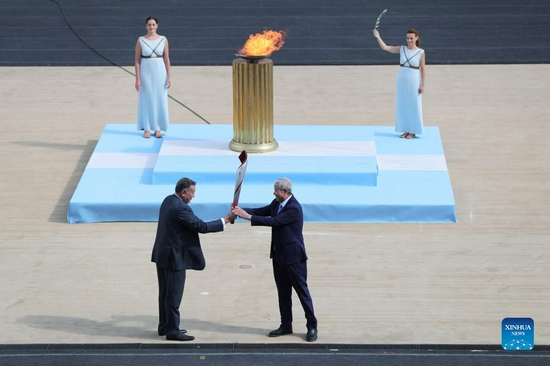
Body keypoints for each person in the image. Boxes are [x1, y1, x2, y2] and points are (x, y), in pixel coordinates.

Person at [232, 177, 318, 342]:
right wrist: (240, 210)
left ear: (285, 192)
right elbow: (262, 211)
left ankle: (312, 325)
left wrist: (247, 217)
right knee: (283, 293)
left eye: (276, 190)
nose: (274, 192)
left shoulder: (294, 208)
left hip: (294, 258)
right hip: (278, 256)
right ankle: (286, 324)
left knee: (302, 293)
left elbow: (274, 221)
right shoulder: (276, 203)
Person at [151, 177, 236, 341]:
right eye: (192, 193)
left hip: (162, 255)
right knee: (174, 296)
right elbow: (201, 227)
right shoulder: (181, 209)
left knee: (164, 294)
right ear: (184, 192)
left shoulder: (168, 200)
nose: (193, 196)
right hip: (173, 258)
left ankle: (165, 326)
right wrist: (225, 220)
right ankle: (172, 331)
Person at [373, 28, 426, 139]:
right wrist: (378, 36)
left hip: (414, 81)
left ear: (416, 38)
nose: (409, 41)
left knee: (414, 105)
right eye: (407, 38)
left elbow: (423, 70)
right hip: (402, 80)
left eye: (411, 38)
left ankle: (413, 131)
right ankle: (406, 129)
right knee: (403, 105)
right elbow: (386, 47)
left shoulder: (420, 52)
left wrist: (423, 85)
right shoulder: (402, 49)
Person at [135, 16, 171, 139]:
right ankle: (146, 128)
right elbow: (137, 61)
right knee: (146, 99)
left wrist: (169, 77)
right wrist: (137, 79)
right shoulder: (140, 40)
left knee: (159, 99)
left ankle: (158, 128)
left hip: (160, 72)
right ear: (146, 26)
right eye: (149, 25)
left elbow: (166, 59)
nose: (151, 27)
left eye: (153, 25)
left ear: (157, 26)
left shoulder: (163, 40)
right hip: (146, 72)